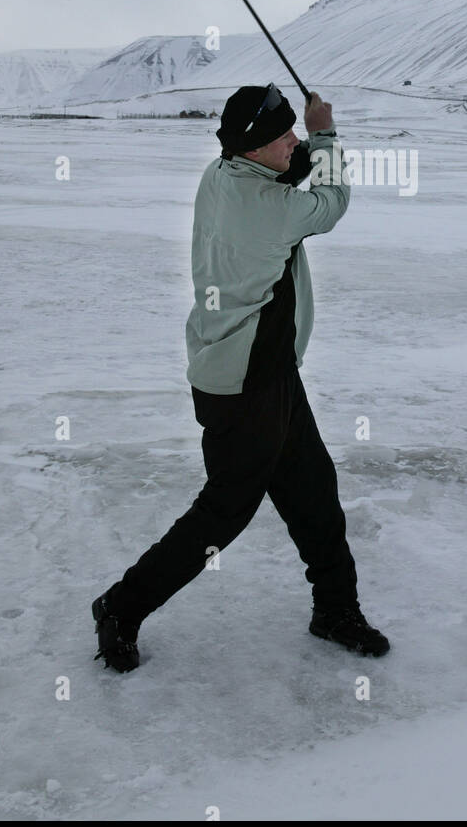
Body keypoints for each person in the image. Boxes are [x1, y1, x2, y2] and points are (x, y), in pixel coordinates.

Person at [91, 84, 389, 672]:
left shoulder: (223, 172)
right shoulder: (269, 211)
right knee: (223, 514)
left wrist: (306, 137)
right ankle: (120, 606)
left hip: (269, 372)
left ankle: (335, 610)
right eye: (285, 138)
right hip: (243, 384)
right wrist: (326, 135)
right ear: (256, 148)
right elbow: (330, 201)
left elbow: (286, 166)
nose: (294, 144)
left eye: (294, 135)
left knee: (314, 495)